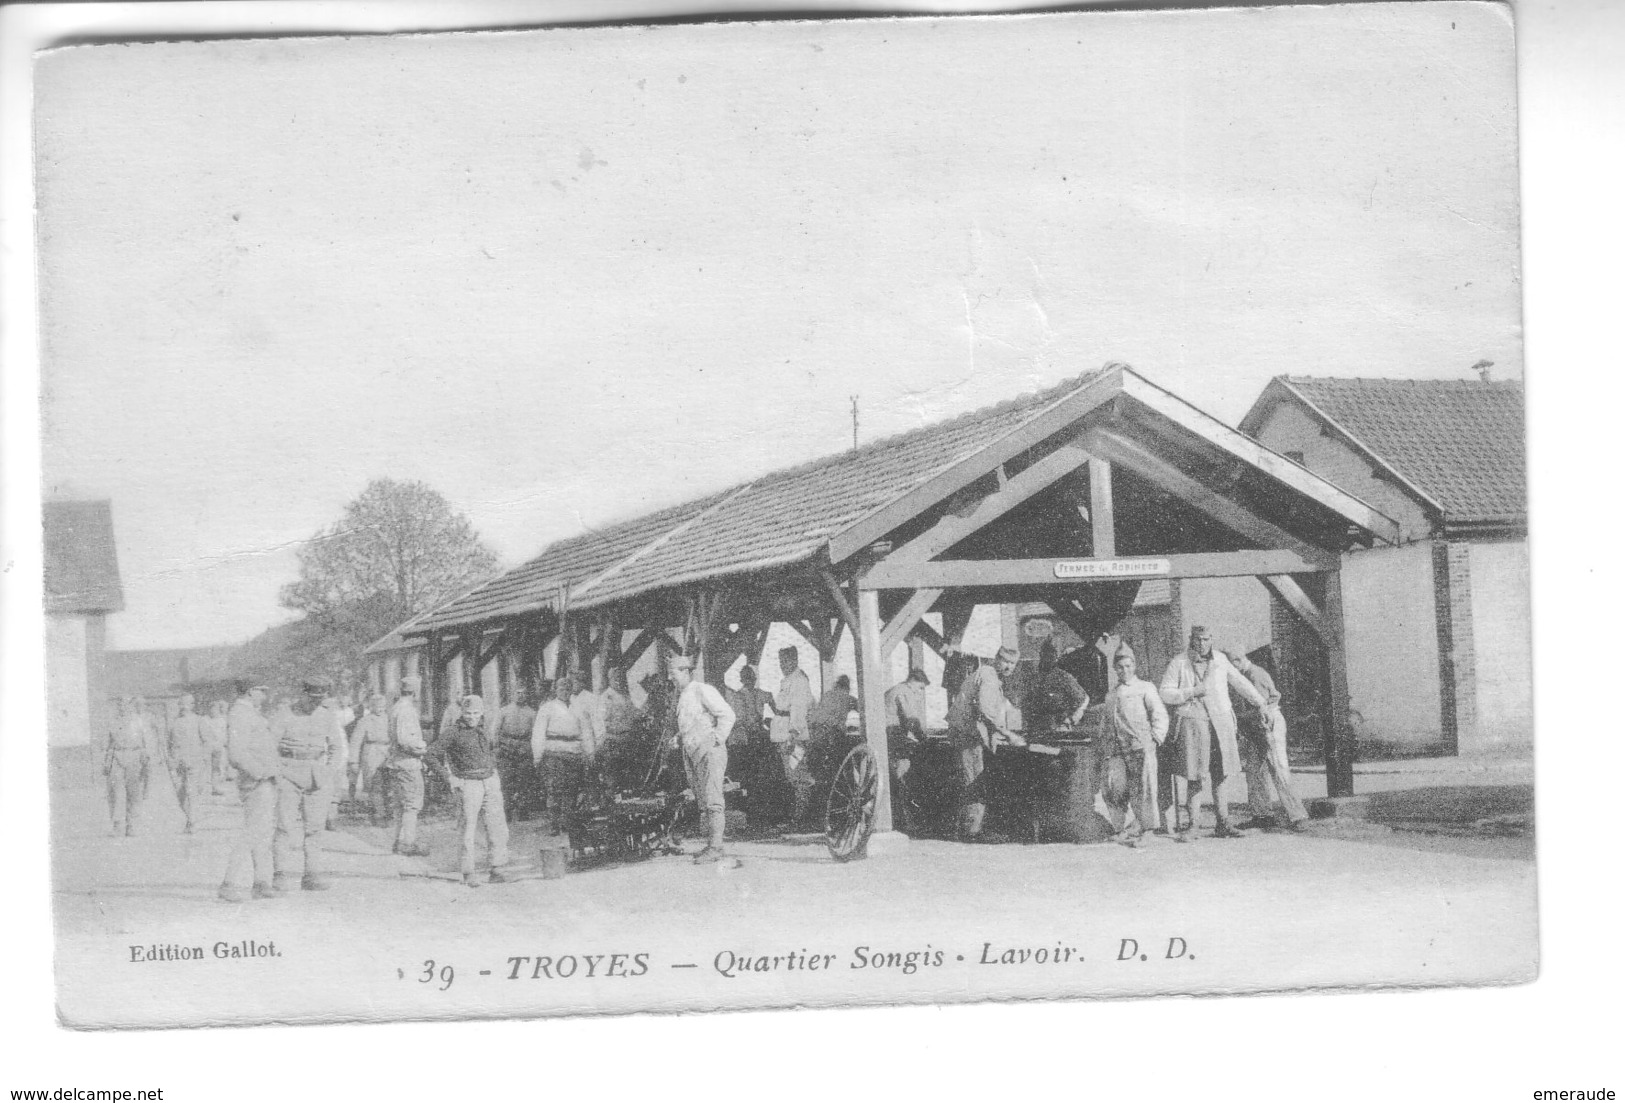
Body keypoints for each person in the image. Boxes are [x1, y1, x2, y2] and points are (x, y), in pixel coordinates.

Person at [1159, 627, 1266, 841]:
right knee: (1195, 775)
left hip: (1220, 721)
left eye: (1206, 639)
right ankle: (1194, 825)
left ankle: (1223, 823)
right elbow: (1165, 692)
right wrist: (1190, 692)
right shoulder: (1179, 662)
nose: (1202, 644)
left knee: (1221, 773)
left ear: (1211, 640)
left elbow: (1240, 683)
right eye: (1197, 639)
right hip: (1194, 723)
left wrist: (1261, 703)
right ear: (1191, 640)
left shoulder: (1220, 660)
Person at [271, 680, 345, 891]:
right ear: (302, 693)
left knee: (314, 828)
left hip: (317, 774)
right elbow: (269, 745)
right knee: (284, 826)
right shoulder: (285, 714)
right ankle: (280, 874)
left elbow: (336, 748)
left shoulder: (327, 715)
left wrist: (329, 771)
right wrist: (277, 773)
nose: (315, 703)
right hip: (288, 772)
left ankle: (312, 874)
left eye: (319, 699)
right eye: (311, 698)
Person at [1225, 650, 1310, 832]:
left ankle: (1298, 816)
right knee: (1254, 771)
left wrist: (1237, 717)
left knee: (1278, 768)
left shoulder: (1255, 674)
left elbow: (1262, 707)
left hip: (1268, 723)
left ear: (1238, 660)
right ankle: (1262, 815)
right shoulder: (1242, 675)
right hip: (1252, 726)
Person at [945, 647, 1025, 839]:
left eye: (1012, 664)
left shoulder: (989, 676)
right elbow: (987, 711)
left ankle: (969, 828)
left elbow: (1000, 706)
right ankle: (972, 832)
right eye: (1005, 661)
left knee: (971, 779)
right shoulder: (989, 677)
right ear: (997, 658)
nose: (1008, 667)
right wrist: (1009, 735)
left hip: (966, 733)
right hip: (968, 735)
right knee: (975, 781)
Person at [670, 655, 736, 863]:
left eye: (673, 674)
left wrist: (717, 738)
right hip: (692, 753)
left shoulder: (702, 689)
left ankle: (716, 848)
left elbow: (728, 714)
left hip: (709, 752)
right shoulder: (683, 695)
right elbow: (694, 722)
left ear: (685, 672)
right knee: (703, 800)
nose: (670, 678)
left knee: (713, 800)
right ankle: (711, 845)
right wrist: (679, 737)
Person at [219, 682, 281, 902]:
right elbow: (236, 753)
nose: (264, 695)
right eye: (261, 690)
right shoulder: (240, 714)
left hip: (264, 780)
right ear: (249, 691)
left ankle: (261, 881)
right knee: (252, 831)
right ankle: (230, 883)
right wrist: (260, 773)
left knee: (262, 832)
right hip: (256, 781)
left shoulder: (250, 713)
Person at [444, 694, 511, 886]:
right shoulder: (453, 732)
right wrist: (450, 777)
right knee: (468, 828)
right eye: (468, 713)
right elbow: (432, 754)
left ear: (481, 713)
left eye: (475, 713)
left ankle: (497, 868)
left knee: (496, 825)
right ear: (462, 713)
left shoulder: (483, 731)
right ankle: (468, 872)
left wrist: (493, 771)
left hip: (489, 781)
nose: (472, 717)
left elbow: (490, 751)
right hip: (468, 783)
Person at [1105, 648, 1169, 848]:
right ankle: (1121, 829)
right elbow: (1107, 723)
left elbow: (1160, 715)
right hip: (1118, 749)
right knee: (1115, 786)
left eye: (1128, 666)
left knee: (1145, 788)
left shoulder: (1145, 687)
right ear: (1115, 668)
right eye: (1120, 666)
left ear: (1134, 666)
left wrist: (1155, 739)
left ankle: (1148, 830)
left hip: (1141, 746)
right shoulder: (1112, 694)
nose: (1124, 670)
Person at [531, 676, 596, 836]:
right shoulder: (547, 708)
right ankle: (554, 823)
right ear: (555, 690)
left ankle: (567, 821)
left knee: (571, 790)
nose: (565, 692)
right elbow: (538, 732)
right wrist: (537, 755)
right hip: (554, 753)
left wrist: (589, 752)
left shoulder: (579, 708)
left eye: (568, 689)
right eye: (561, 689)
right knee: (554, 789)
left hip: (574, 752)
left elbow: (586, 731)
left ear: (571, 690)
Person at [882, 668, 932, 832]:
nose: (920, 692)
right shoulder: (904, 691)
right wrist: (923, 739)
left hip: (887, 735)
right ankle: (903, 818)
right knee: (903, 770)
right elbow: (910, 719)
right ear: (914, 681)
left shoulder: (893, 689)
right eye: (920, 688)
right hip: (893, 734)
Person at [386, 676, 431, 857]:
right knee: (412, 805)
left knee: (400, 805)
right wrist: (423, 748)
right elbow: (405, 740)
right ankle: (408, 843)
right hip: (408, 762)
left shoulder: (396, 708)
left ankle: (399, 842)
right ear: (415, 691)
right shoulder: (407, 710)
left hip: (397, 761)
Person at [103, 697, 160, 836]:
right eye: (120, 704)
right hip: (116, 756)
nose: (122, 707)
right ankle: (117, 824)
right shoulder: (112, 721)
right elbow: (107, 743)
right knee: (115, 792)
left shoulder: (138, 721)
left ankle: (131, 824)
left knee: (133, 793)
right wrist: (105, 761)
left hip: (134, 756)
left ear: (131, 706)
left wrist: (147, 758)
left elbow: (147, 741)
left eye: (125, 704)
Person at [770, 647, 815, 826]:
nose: (782, 665)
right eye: (781, 661)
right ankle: (798, 817)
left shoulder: (798, 681)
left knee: (799, 776)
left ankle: (802, 819)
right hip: (782, 735)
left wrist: (793, 735)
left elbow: (798, 710)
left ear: (794, 660)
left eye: (786, 661)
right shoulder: (789, 680)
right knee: (792, 777)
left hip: (791, 737)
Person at [494, 689, 540, 822]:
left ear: (527, 695)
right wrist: (497, 748)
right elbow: (495, 731)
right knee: (506, 780)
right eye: (518, 692)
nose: (520, 695)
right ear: (513, 694)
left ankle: (522, 809)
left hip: (524, 748)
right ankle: (507, 810)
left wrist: (531, 750)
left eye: (523, 693)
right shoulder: (504, 711)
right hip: (506, 748)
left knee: (523, 780)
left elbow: (535, 733)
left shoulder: (532, 713)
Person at [349, 693, 392, 824]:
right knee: (375, 785)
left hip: (388, 753)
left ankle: (386, 811)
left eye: (383, 706)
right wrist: (353, 761)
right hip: (372, 753)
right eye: (377, 706)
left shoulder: (389, 719)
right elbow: (355, 742)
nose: (380, 709)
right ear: (371, 707)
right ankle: (379, 815)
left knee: (388, 784)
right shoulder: (365, 721)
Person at [168, 693, 208, 833]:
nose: (182, 706)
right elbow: (171, 743)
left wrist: (203, 759)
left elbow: (206, 741)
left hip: (194, 762)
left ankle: (192, 822)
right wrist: (172, 760)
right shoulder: (175, 722)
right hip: (178, 763)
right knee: (180, 793)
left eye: (185, 703)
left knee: (191, 791)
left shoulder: (199, 720)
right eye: (180, 703)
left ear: (192, 705)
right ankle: (191, 818)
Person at [200, 700, 231, 795]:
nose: (214, 711)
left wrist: (221, 742)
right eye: (212, 709)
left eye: (216, 709)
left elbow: (224, 734)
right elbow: (204, 734)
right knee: (205, 767)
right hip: (207, 747)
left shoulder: (222, 720)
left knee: (217, 768)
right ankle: (202, 788)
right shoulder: (205, 720)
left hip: (218, 747)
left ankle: (215, 787)